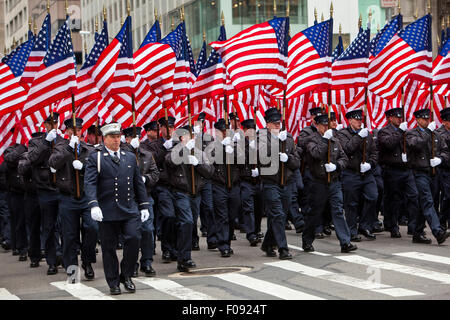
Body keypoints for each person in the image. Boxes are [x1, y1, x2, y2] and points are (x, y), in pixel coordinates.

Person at [84, 122, 150, 295]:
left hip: (128, 208)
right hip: (107, 210)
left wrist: (144, 205)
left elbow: (138, 184)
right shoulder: (96, 157)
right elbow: (90, 183)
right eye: (112, 137)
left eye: (118, 136)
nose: (116, 140)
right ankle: (113, 281)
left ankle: (126, 275)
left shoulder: (128, 157)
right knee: (108, 248)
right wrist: (93, 204)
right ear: (104, 138)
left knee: (134, 239)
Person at [48, 118, 98, 281]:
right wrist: (69, 148)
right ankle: (72, 268)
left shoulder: (88, 149)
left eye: (78, 130)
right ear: (67, 131)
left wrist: (83, 167)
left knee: (92, 228)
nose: (76, 133)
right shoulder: (61, 148)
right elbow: (53, 164)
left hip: (86, 197)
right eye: (72, 130)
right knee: (69, 235)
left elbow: (96, 170)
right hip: (67, 197)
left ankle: (87, 261)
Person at [302, 113, 357, 253]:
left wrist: (336, 166)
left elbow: (344, 158)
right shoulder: (311, 140)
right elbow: (316, 154)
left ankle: (345, 242)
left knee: (338, 210)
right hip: (318, 182)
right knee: (315, 212)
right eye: (323, 125)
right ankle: (307, 240)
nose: (326, 127)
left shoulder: (334, 139)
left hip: (334, 182)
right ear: (317, 125)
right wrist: (324, 141)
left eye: (328, 125)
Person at [19, 113, 63, 275]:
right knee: (49, 227)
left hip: (63, 188)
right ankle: (52, 261)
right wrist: (46, 142)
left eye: (55, 123)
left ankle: (65, 257)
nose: (53, 126)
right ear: (45, 125)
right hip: (45, 189)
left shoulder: (62, 140)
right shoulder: (36, 142)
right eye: (50, 123)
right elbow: (32, 159)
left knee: (66, 226)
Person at [165, 125, 214, 270]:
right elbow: (170, 161)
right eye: (189, 136)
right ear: (182, 137)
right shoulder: (175, 150)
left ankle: (180, 255)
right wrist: (185, 149)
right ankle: (184, 257)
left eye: (194, 136)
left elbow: (209, 172)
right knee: (186, 222)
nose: (193, 138)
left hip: (195, 194)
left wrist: (197, 164)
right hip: (181, 192)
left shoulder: (199, 152)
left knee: (189, 224)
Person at [258, 108, 299, 260]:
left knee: (279, 216)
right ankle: (283, 248)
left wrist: (287, 158)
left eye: (278, 123)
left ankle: (268, 243)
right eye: (274, 124)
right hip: (270, 182)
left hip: (286, 182)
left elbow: (296, 162)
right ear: (267, 124)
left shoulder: (287, 137)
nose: (277, 126)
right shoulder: (261, 137)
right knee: (277, 214)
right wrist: (276, 144)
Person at [406, 109, 450, 245]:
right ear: (417, 120)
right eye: (423, 119)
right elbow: (414, 144)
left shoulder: (435, 134)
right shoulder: (411, 133)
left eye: (427, 119)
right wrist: (427, 134)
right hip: (419, 172)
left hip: (433, 173)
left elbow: (445, 151)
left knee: (424, 203)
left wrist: (440, 159)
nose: (426, 121)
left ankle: (418, 232)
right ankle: (438, 232)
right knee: (427, 201)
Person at [122, 126, 159, 277]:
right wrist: (131, 149)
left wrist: (146, 179)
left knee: (148, 230)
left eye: (136, 137)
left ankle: (147, 262)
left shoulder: (147, 155)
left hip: (145, 197)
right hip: (128, 199)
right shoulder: (123, 154)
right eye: (131, 138)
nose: (134, 140)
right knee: (131, 234)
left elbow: (155, 173)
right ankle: (132, 264)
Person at [337, 109, 379, 241]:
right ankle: (351, 230)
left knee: (373, 196)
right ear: (350, 120)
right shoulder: (343, 134)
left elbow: (374, 152)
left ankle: (365, 225)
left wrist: (370, 164)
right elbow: (347, 148)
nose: (359, 122)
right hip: (351, 172)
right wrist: (359, 136)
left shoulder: (367, 133)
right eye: (356, 120)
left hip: (366, 173)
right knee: (351, 203)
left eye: (360, 120)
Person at [377, 108, 419, 238]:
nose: (399, 119)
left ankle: (413, 227)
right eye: (396, 117)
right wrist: (400, 131)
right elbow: (389, 144)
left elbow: (412, 145)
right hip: (392, 169)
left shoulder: (405, 130)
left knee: (414, 196)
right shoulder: (384, 131)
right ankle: (393, 226)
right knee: (394, 200)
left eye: (400, 117)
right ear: (390, 118)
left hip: (406, 169)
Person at [206, 118, 242, 258]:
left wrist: (231, 150)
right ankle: (223, 245)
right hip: (219, 184)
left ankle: (227, 241)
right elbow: (209, 161)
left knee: (232, 216)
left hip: (233, 185)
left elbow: (242, 160)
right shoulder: (212, 146)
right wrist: (221, 148)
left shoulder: (235, 145)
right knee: (222, 216)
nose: (224, 134)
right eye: (221, 131)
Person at [239, 119, 263, 247]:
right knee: (248, 208)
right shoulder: (240, 145)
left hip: (258, 180)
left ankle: (257, 229)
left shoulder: (260, 143)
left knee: (259, 208)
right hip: (246, 180)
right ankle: (251, 234)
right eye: (248, 129)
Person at [3, 137, 28, 261]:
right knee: (18, 221)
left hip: (31, 190)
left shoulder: (33, 146)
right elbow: (9, 160)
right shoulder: (10, 149)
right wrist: (22, 147)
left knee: (33, 221)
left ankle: (35, 247)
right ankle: (20, 247)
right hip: (16, 191)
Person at [436, 108, 450, 230]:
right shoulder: (439, 134)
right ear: (444, 122)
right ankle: (442, 221)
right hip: (444, 169)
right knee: (446, 196)